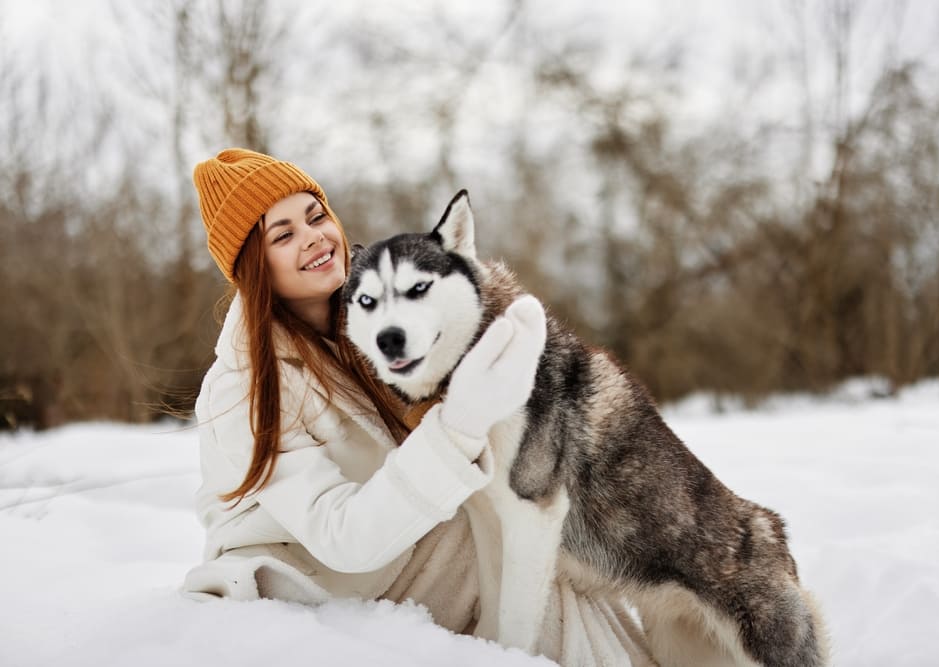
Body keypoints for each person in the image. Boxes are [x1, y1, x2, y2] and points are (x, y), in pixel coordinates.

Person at [182, 148, 656, 666]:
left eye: (316, 216)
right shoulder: (244, 386)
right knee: (524, 560)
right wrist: (458, 426)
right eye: (283, 234)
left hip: (420, 558)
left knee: (543, 553)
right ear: (255, 266)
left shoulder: (369, 325)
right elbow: (344, 539)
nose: (313, 236)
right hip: (325, 592)